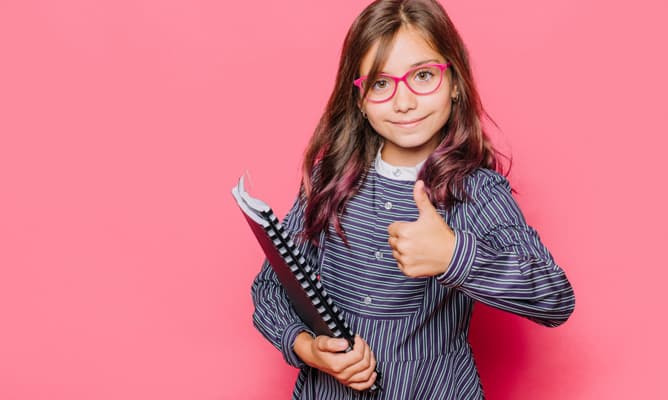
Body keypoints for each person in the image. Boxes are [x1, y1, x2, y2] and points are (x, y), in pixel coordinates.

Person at [250, 0, 575, 398]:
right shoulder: (330, 179)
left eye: (423, 75)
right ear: (358, 99)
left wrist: (454, 256)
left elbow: (555, 298)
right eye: (381, 84)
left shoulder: (475, 191)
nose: (404, 102)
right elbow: (270, 287)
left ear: (455, 82)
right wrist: (307, 348)